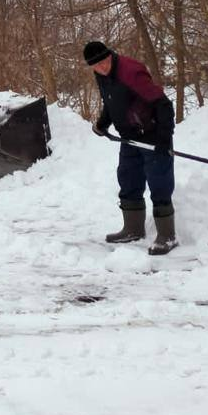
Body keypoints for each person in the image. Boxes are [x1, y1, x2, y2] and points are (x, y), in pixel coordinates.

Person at [85, 40, 178, 255]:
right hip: (129, 137)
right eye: (96, 66)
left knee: (159, 182)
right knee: (128, 179)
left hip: (152, 135)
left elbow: (163, 104)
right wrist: (102, 124)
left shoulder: (131, 71)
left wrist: (164, 139)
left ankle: (167, 235)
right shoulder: (102, 76)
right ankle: (133, 229)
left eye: (104, 63)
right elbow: (112, 103)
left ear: (110, 56)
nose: (101, 68)